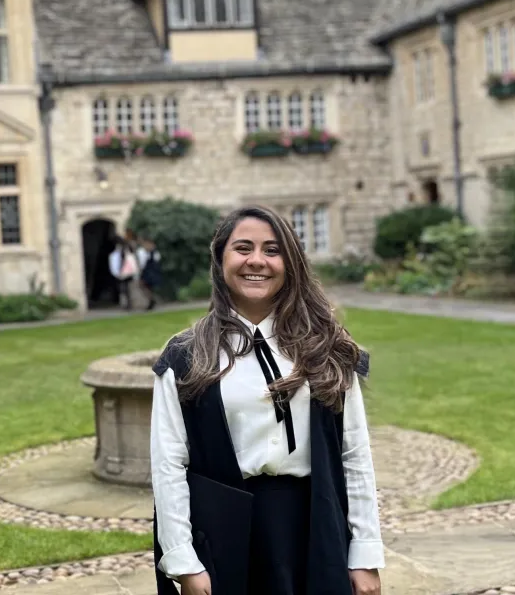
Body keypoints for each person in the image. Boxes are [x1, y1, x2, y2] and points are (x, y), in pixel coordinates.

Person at [150, 205, 383, 595]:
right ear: (220, 258)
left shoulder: (327, 347)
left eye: (272, 250)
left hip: (315, 524)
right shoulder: (188, 355)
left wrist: (364, 551)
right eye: (243, 248)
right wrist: (182, 558)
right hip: (226, 533)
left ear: (290, 261)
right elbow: (169, 463)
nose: (256, 260)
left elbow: (354, 454)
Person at [108, 230, 140, 310]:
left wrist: (120, 271)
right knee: (126, 288)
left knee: (124, 288)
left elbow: (122, 260)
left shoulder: (122, 248)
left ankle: (128, 304)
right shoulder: (126, 246)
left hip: (124, 271)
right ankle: (128, 304)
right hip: (128, 271)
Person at [138, 237, 163, 311]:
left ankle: (151, 300)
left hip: (148, 272)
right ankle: (151, 300)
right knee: (147, 287)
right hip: (152, 271)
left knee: (144, 286)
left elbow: (142, 263)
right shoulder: (154, 252)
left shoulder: (144, 252)